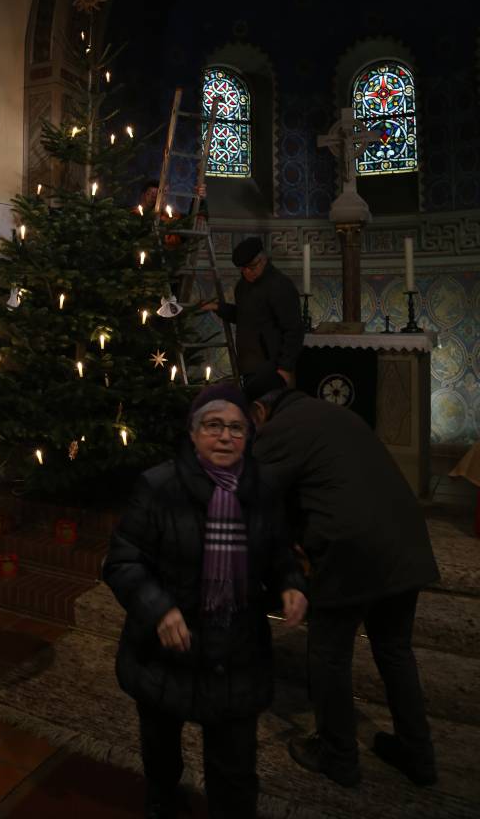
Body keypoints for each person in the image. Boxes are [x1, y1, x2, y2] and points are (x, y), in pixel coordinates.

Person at [102, 382, 307, 818]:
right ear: (193, 433)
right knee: (161, 752)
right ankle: (163, 799)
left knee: (234, 770)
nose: (226, 436)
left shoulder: (263, 487)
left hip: (236, 651)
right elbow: (123, 561)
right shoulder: (159, 486)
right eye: (214, 426)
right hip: (165, 650)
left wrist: (291, 583)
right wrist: (159, 608)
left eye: (236, 428)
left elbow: (278, 551)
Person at [245, 371, 439, 789]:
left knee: (329, 653)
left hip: (353, 551)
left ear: (259, 411)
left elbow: (255, 495)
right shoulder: (332, 413)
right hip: (406, 543)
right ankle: (418, 755)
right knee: (395, 651)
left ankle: (337, 755)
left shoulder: (278, 428)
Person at [203, 237, 303, 384]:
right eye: (243, 269)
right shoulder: (242, 287)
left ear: (263, 260)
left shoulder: (280, 285)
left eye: (251, 267)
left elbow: (293, 329)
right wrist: (218, 307)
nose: (247, 273)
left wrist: (285, 367)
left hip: (273, 366)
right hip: (249, 365)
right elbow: (245, 317)